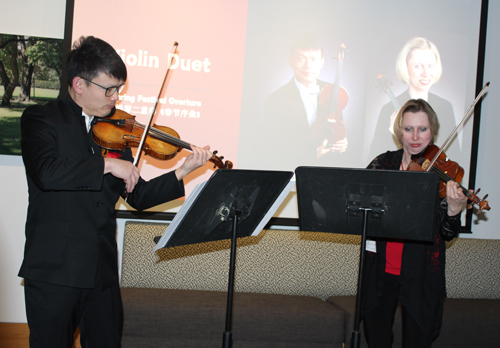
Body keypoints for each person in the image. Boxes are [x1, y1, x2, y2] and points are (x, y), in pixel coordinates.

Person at [18, 36, 214, 347]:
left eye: (119, 89)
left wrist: (183, 170)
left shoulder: (114, 130)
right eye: (109, 89)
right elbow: (47, 173)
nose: (115, 97)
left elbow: (139, 197)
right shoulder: (41, 119)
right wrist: (106, 165)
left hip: (101, 274)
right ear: (79, 84)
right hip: (55, 272)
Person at [362, 99, 467, 347]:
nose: (416, 137)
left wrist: (453, 209)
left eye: (423, 129)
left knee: (417, 341)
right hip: (380, 271)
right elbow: (361, 202)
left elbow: (448, 233)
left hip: (420, 274)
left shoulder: (443, 173)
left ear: (433, 132)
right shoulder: (383, 163)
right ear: (400, 131)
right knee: (376, 338)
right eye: (409, 129)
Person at [261, 33, 348, 170]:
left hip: (329, 173)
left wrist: (340, 144)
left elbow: (335, 126)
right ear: (291, 61)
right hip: (293, 175)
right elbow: (274, 147)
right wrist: (312, 154)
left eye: (314, 59)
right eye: (301, 58)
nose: (308, 65)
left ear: (322, 62)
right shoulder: (274, 101)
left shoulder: (333, 92)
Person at [370, 37, 459, 161]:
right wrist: (394, 135)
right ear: (405, 67)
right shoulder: (388, 110)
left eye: (431, 66)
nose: (426, 73)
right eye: (418, 66)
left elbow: (455, 157)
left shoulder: (445, 106)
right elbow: (374, 162)